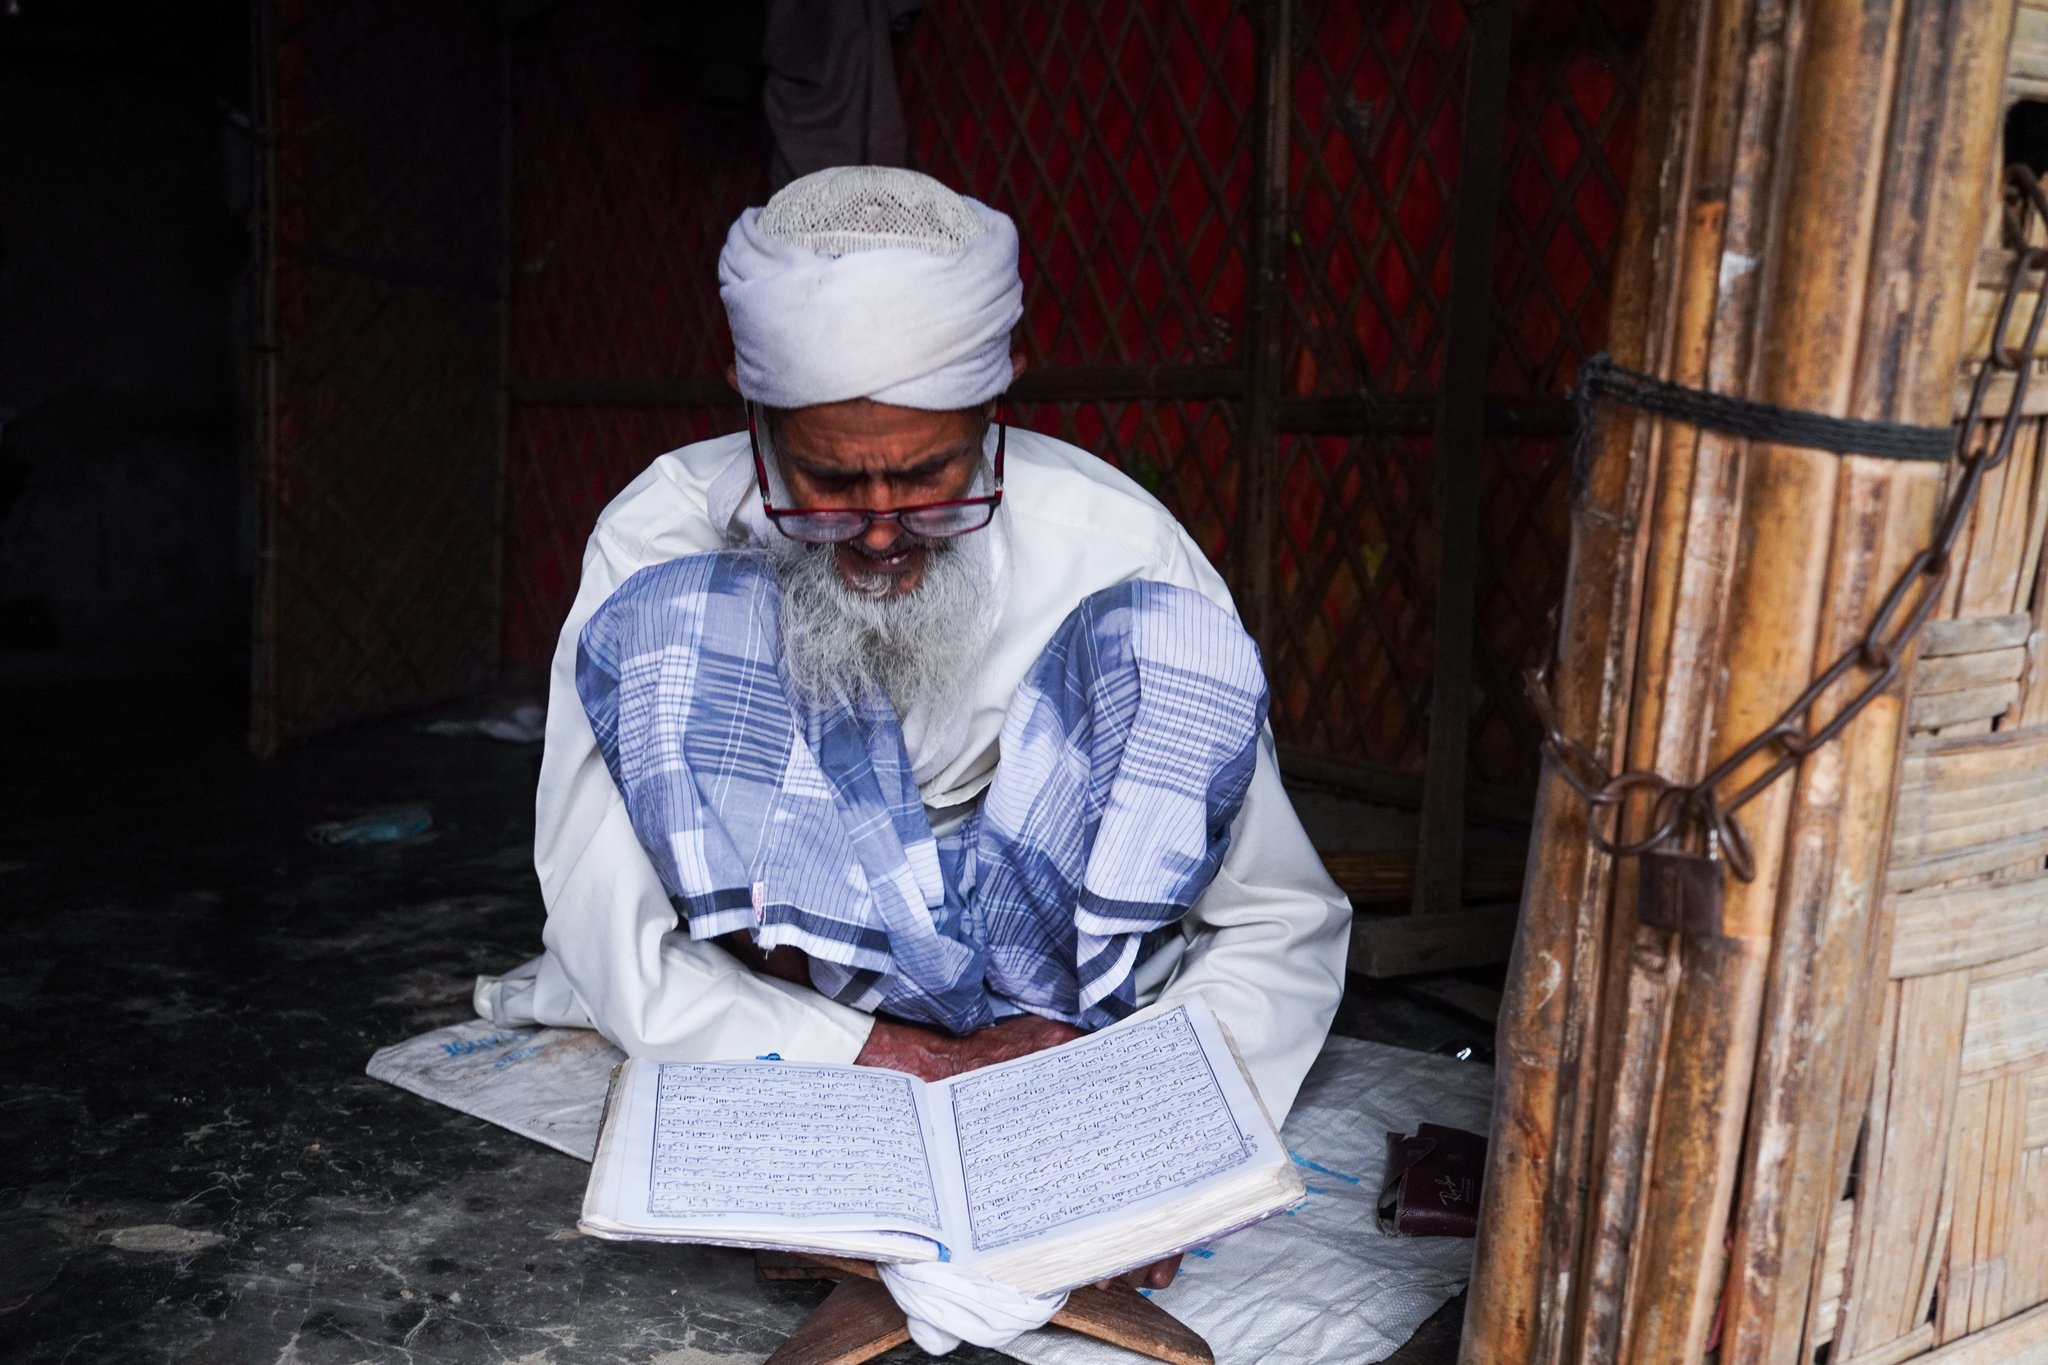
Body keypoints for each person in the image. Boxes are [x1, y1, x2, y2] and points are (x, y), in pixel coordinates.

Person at [477, 170, 1351, 1292]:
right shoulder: (656, 538)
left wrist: (1159, 1121)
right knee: (670, 621)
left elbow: (1281, 914)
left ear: (997, 405)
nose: (883, 532)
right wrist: (879, 1054)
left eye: (931, 476)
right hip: (799, 989)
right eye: (830, 482)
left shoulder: (1114, 542)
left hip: (1065, 991)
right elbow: (605, 918)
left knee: (1166, 643)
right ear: (753, 414)